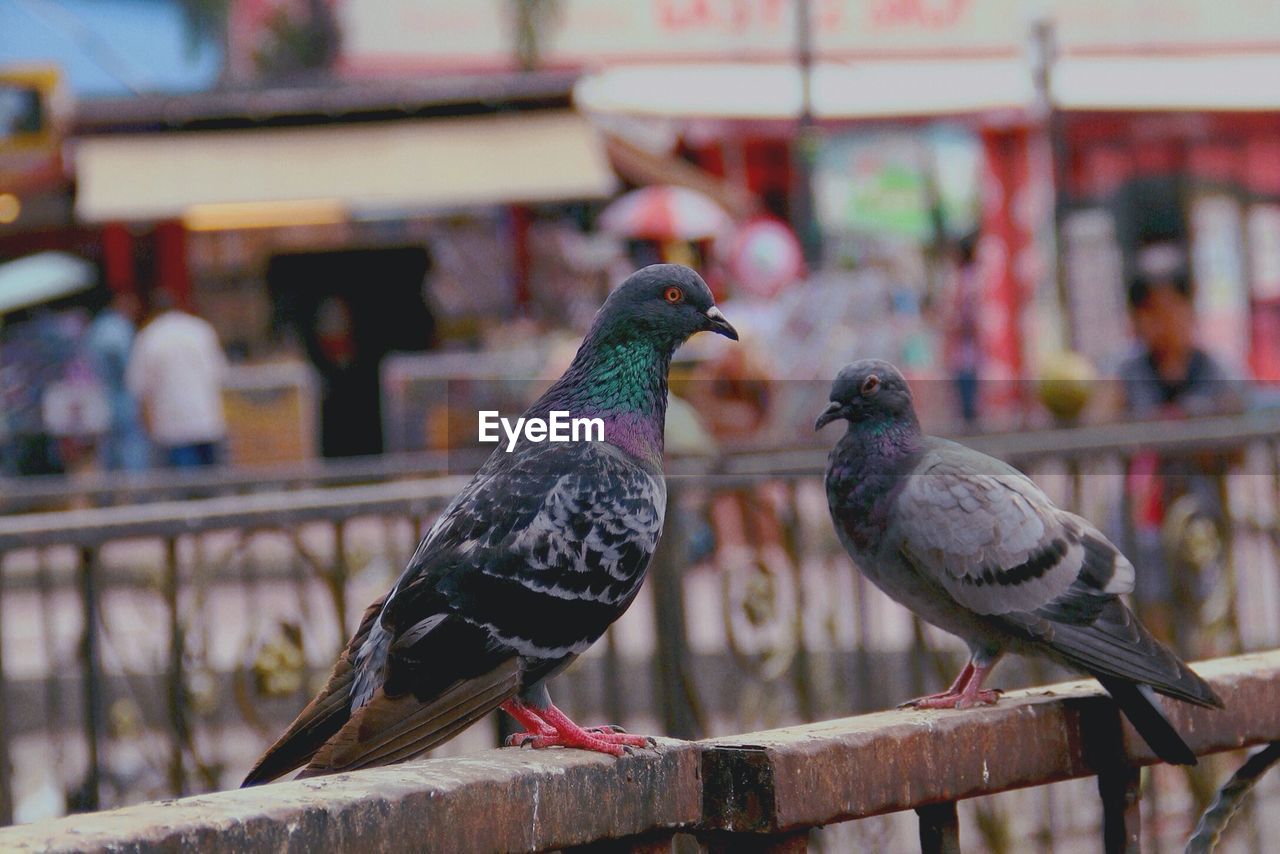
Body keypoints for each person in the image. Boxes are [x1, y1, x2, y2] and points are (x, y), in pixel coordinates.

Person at [127, 291, 228, 468]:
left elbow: (138, 385)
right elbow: (219, 373)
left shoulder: (149, 336)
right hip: (206, 416)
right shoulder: (200, 329)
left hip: (172, 423)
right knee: (213, 478)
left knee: (185, 483)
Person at [85, 290, 149, 471]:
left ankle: (109, 493)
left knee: (109, 447)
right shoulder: (116, 326)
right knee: (131, 445)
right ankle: (137, 491)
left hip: (103, 396)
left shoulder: (98, 326)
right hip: (120, 396)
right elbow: (118, 357)